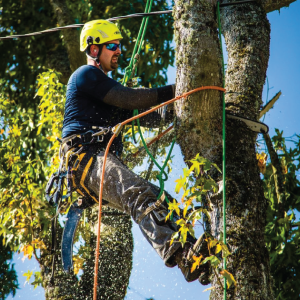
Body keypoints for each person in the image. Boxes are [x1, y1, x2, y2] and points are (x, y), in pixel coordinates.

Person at [61, 19, 209, 284]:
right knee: (137, 194)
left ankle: (193, 257)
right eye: (113, 46)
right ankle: (178, 253)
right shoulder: (86, 75)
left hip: (96, 162)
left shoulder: (105, 92)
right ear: (94, 50)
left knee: (160, 198)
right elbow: (132, 99)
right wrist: (178, 90)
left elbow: (145, 114)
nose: (119, 51)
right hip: (83, 159)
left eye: (120, 46)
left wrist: (180, 107)